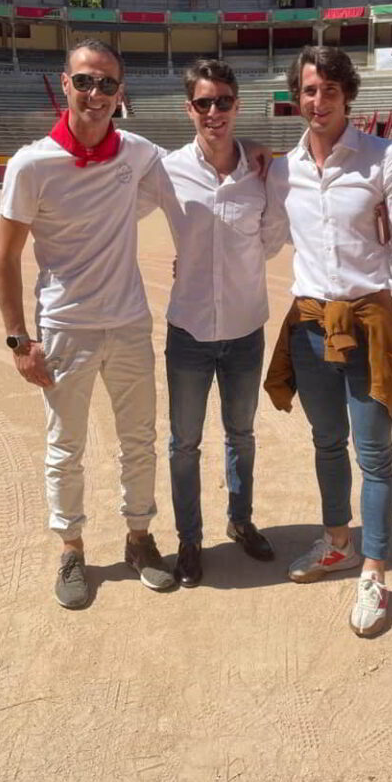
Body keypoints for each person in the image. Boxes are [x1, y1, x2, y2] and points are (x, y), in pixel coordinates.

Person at [263, 46, 392, 638]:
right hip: (310, 325)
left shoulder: (384, 158)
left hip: (368, 324)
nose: (319, 102)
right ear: (298, 95)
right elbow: (259, 234)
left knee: (374, 454)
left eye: (330, 91)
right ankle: (337, 542)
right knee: (325, 442)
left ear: (347, 95)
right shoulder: (283, 168)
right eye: (309, 90)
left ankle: (374, 571)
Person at [0, 38, 176, 609]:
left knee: (139, 440)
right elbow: (4, 256)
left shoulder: (139, 153)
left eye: (106, 84)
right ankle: (71, 548)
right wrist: (20, 341)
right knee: (64, 445)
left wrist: (256, 152)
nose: (95, 94)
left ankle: (139, 538)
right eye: (84, 81)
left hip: (127, 324)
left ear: (121, 93)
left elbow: (197, 170)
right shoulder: (31, 164)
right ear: (64, 83)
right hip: (65, 327)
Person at [138, 59, 281, 587]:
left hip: (245, 327)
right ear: (189, 109)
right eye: (204, 102)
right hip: (190, 330)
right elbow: (116, 206)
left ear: (237, 105)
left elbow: (271, 238)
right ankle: (189, 539)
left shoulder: (263, 170)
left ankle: (240, 522)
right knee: (184, 443)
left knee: (241, 435)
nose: (214, 111)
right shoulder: (166, 169)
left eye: (223, 101)